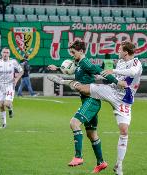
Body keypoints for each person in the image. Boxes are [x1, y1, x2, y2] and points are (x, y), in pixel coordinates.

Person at [50, 41, 141, 175]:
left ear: (126, 52)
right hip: (111, 91)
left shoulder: (136, 63)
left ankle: (118, 165)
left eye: (120, 49)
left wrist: (113, 73)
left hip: (124, 99)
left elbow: (132, 72)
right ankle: (100, 162)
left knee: (123, 131)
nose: (118, 51)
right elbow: (95, 73)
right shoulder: (118, 62)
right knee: (91, 134)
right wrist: (59, 69)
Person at [0, 47, 23, 128]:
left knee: (6, 103)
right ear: (1, 53)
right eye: (4, 52)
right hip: (0, 87)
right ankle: (4, 123)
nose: (5, 54)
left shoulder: (13, 62)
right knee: (1, 105)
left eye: (7, 52)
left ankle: (10, 109)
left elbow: (21, 71)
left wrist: (16, 79)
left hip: (10, 85)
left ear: (9, 54)